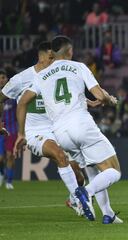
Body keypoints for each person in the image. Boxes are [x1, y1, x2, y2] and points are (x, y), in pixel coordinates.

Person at [14, 36, 122, 224]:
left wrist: (21, 134)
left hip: (61, 134)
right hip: (81, 124)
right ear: (70, 51)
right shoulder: (79, 67)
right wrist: (108, 100)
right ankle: (84, 193)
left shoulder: (41, 75)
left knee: (93, 171)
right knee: (113, 170)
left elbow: (22, 102)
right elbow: (98, 93)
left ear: (53, 54)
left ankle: (108, 214)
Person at [0, 42, 85, 208]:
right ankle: (82, 202)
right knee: (60, 156)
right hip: (36, 133)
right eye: (51, 57)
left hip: (59, 128)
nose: (54, 61)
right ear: (41, 57)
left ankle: (74, 200)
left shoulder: (56, 75)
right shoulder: (21, 79)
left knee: (79, 175)